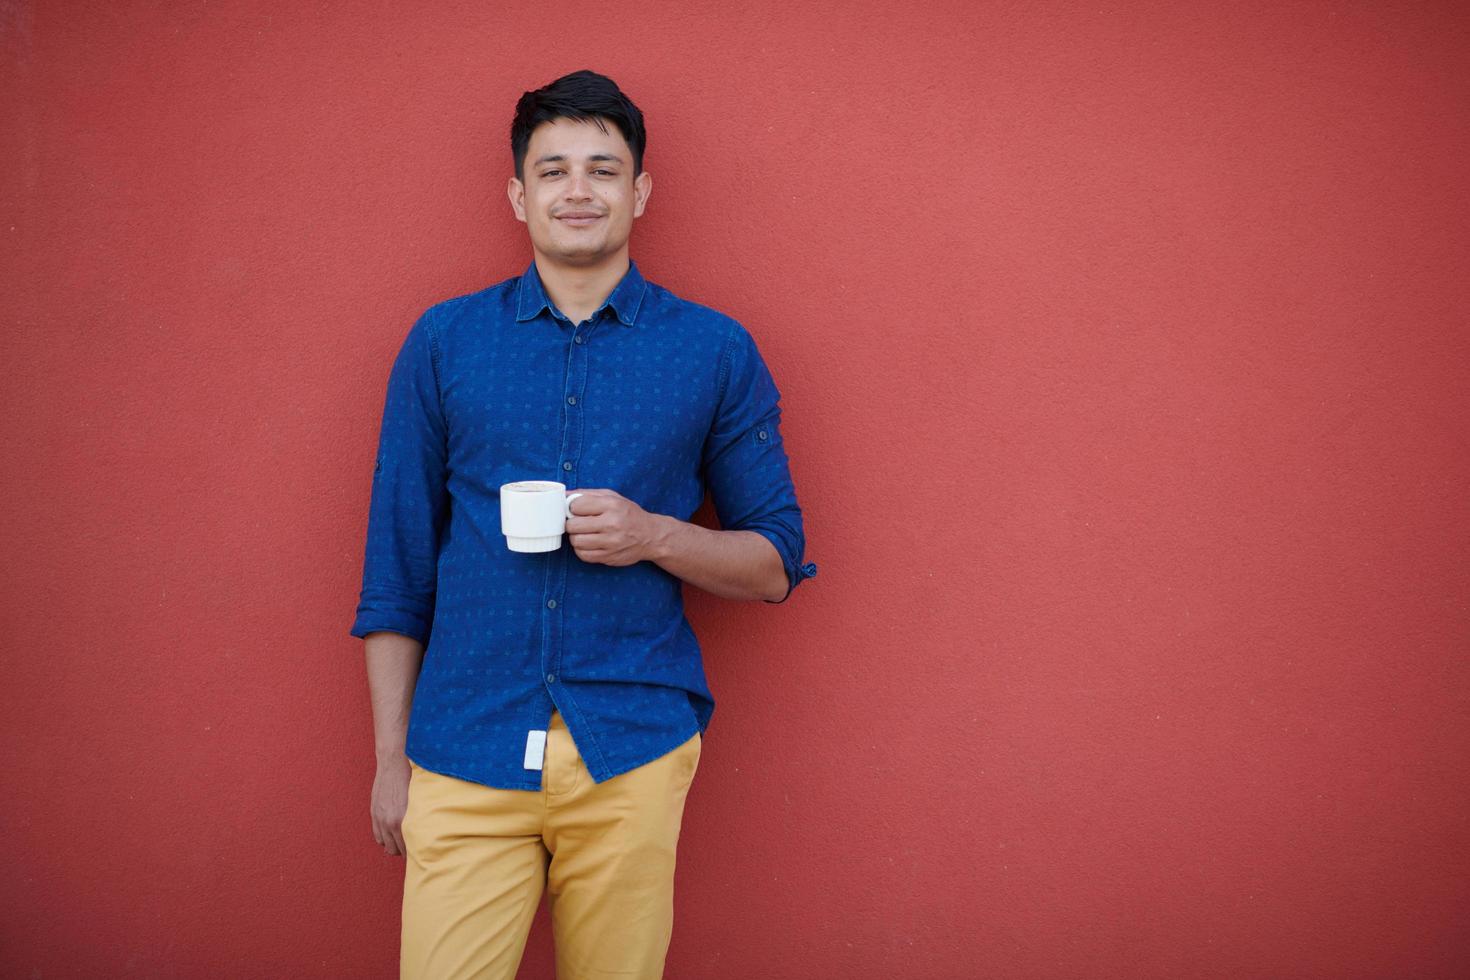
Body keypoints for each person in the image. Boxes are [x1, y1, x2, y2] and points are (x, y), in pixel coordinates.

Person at [348, 69, 817, 980]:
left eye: (603, 170)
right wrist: (390, 760)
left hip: (629, 747)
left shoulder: (714, 349)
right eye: (553, 169)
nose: (578, 190)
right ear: (518, 193)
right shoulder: (444, 342)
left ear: (639, 192)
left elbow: (774, 560)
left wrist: (654, 536)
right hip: (463, 745)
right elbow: (396, 565)